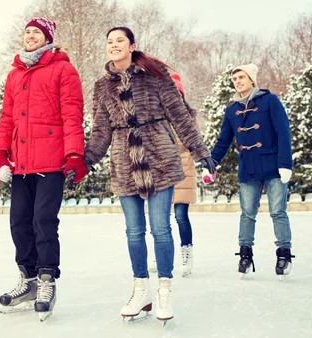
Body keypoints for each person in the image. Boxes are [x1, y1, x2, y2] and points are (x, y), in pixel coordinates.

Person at [82, 27, 216, 323]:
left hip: (159, 158)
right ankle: (140, 288)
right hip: (123, 161)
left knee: (161, 228)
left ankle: (164, 288)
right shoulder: (101, 86)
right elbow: (101, 131)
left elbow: (179, 116)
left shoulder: (156, 77)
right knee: (133, 231)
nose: (114, 45)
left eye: (120, 41)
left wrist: (200, 151)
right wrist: (86, 160)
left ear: (132, 46)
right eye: (109, 42)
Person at [0, 17, 86, 321]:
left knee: (43, 221)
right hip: (21, 163)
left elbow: (72, 114)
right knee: (19, 222)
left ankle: (46, 281)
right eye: (27, 32)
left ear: (47, 38)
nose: (30, 36)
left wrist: (74, 154)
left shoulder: (63, 69)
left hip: (51, 159)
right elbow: (7, 119)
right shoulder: (15, 75)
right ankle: (27, 280)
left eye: (36, 32)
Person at [204, 64, 295, 280]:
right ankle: (245, 254)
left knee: (277, 212)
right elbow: (223, 141)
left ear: (252, 79)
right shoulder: (231, 110)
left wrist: (285, 164)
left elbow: (283, 132)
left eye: (241, 77)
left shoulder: (270, 101)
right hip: (248, 168)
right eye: (234, 78)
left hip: (273, 166)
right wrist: (211, 163)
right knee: (247, 214)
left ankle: (284, 255)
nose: (237, 81)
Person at [149, 73, 199, 278]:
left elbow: (194, 142)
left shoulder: (187, 117)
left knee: (180, 215)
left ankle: (186, 250)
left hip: (183, 169)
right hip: (160, 170)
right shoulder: (154, 116)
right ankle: (160, 254)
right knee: (160, 217)